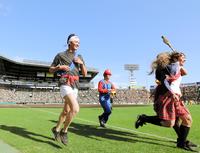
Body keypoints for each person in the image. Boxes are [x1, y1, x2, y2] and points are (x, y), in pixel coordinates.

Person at [135, 52, 197, 151]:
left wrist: (180, 62)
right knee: (170, 123)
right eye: (183, 58)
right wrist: (172, 92)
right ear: (176, 58)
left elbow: (185, 72)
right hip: (169, 97)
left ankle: (182, 142)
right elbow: (164, 81)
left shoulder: (177, 67)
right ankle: (144, 118)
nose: (185, 60)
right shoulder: (167, 68)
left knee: (185, 120)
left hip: (176, 97)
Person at [49, 34, 87, 145]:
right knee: (75, 109)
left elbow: (84, 73)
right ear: (70, 42)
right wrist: (58, 67)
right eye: (76, 41)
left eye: (79, 42)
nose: (78, 43)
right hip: (64, 83)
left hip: (75, 85)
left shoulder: (79, 56)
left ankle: (55, 129)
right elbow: (50, 70)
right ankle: (64, 131)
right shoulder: (60, 55)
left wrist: (81, 63)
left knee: (66, 111)